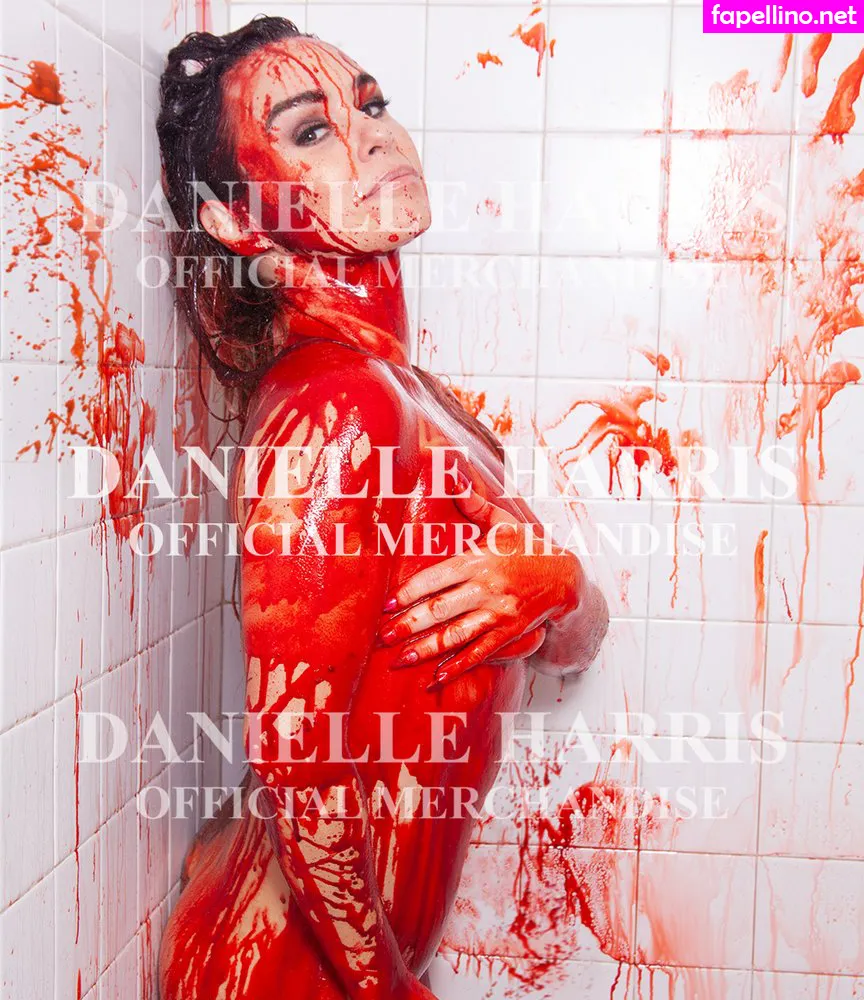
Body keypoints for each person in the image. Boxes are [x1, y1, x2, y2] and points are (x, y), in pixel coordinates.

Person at [155, 16, 609, 1000]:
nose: (369, 136)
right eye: (309, 130)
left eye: (369, 105)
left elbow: (563, 642)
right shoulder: (335, 403)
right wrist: (387, 990)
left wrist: (561, 586)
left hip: (356, 959)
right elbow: (295, 759)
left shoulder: (417, 397)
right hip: (296, 970)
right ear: (239, 224)